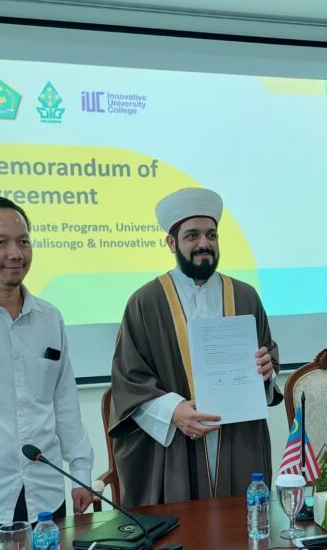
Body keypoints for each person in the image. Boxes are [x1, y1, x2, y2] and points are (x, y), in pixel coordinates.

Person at [110, 187, 282, 505]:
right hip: (176, 446)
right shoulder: (146, 302)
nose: (204, 244)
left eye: (211, 235)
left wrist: (266, 370)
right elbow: (129, 379)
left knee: (241, 526)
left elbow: (267, 355)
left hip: (238, 439)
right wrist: (174, 411)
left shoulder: (245, 296)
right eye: (192, 236)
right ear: (171, 243)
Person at [0, 197, 93, 537]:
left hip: (45, 493)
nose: (16, 253)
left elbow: (64, 401)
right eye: (1, 242)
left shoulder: (49, 318)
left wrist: (81, 472)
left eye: (24, 241)